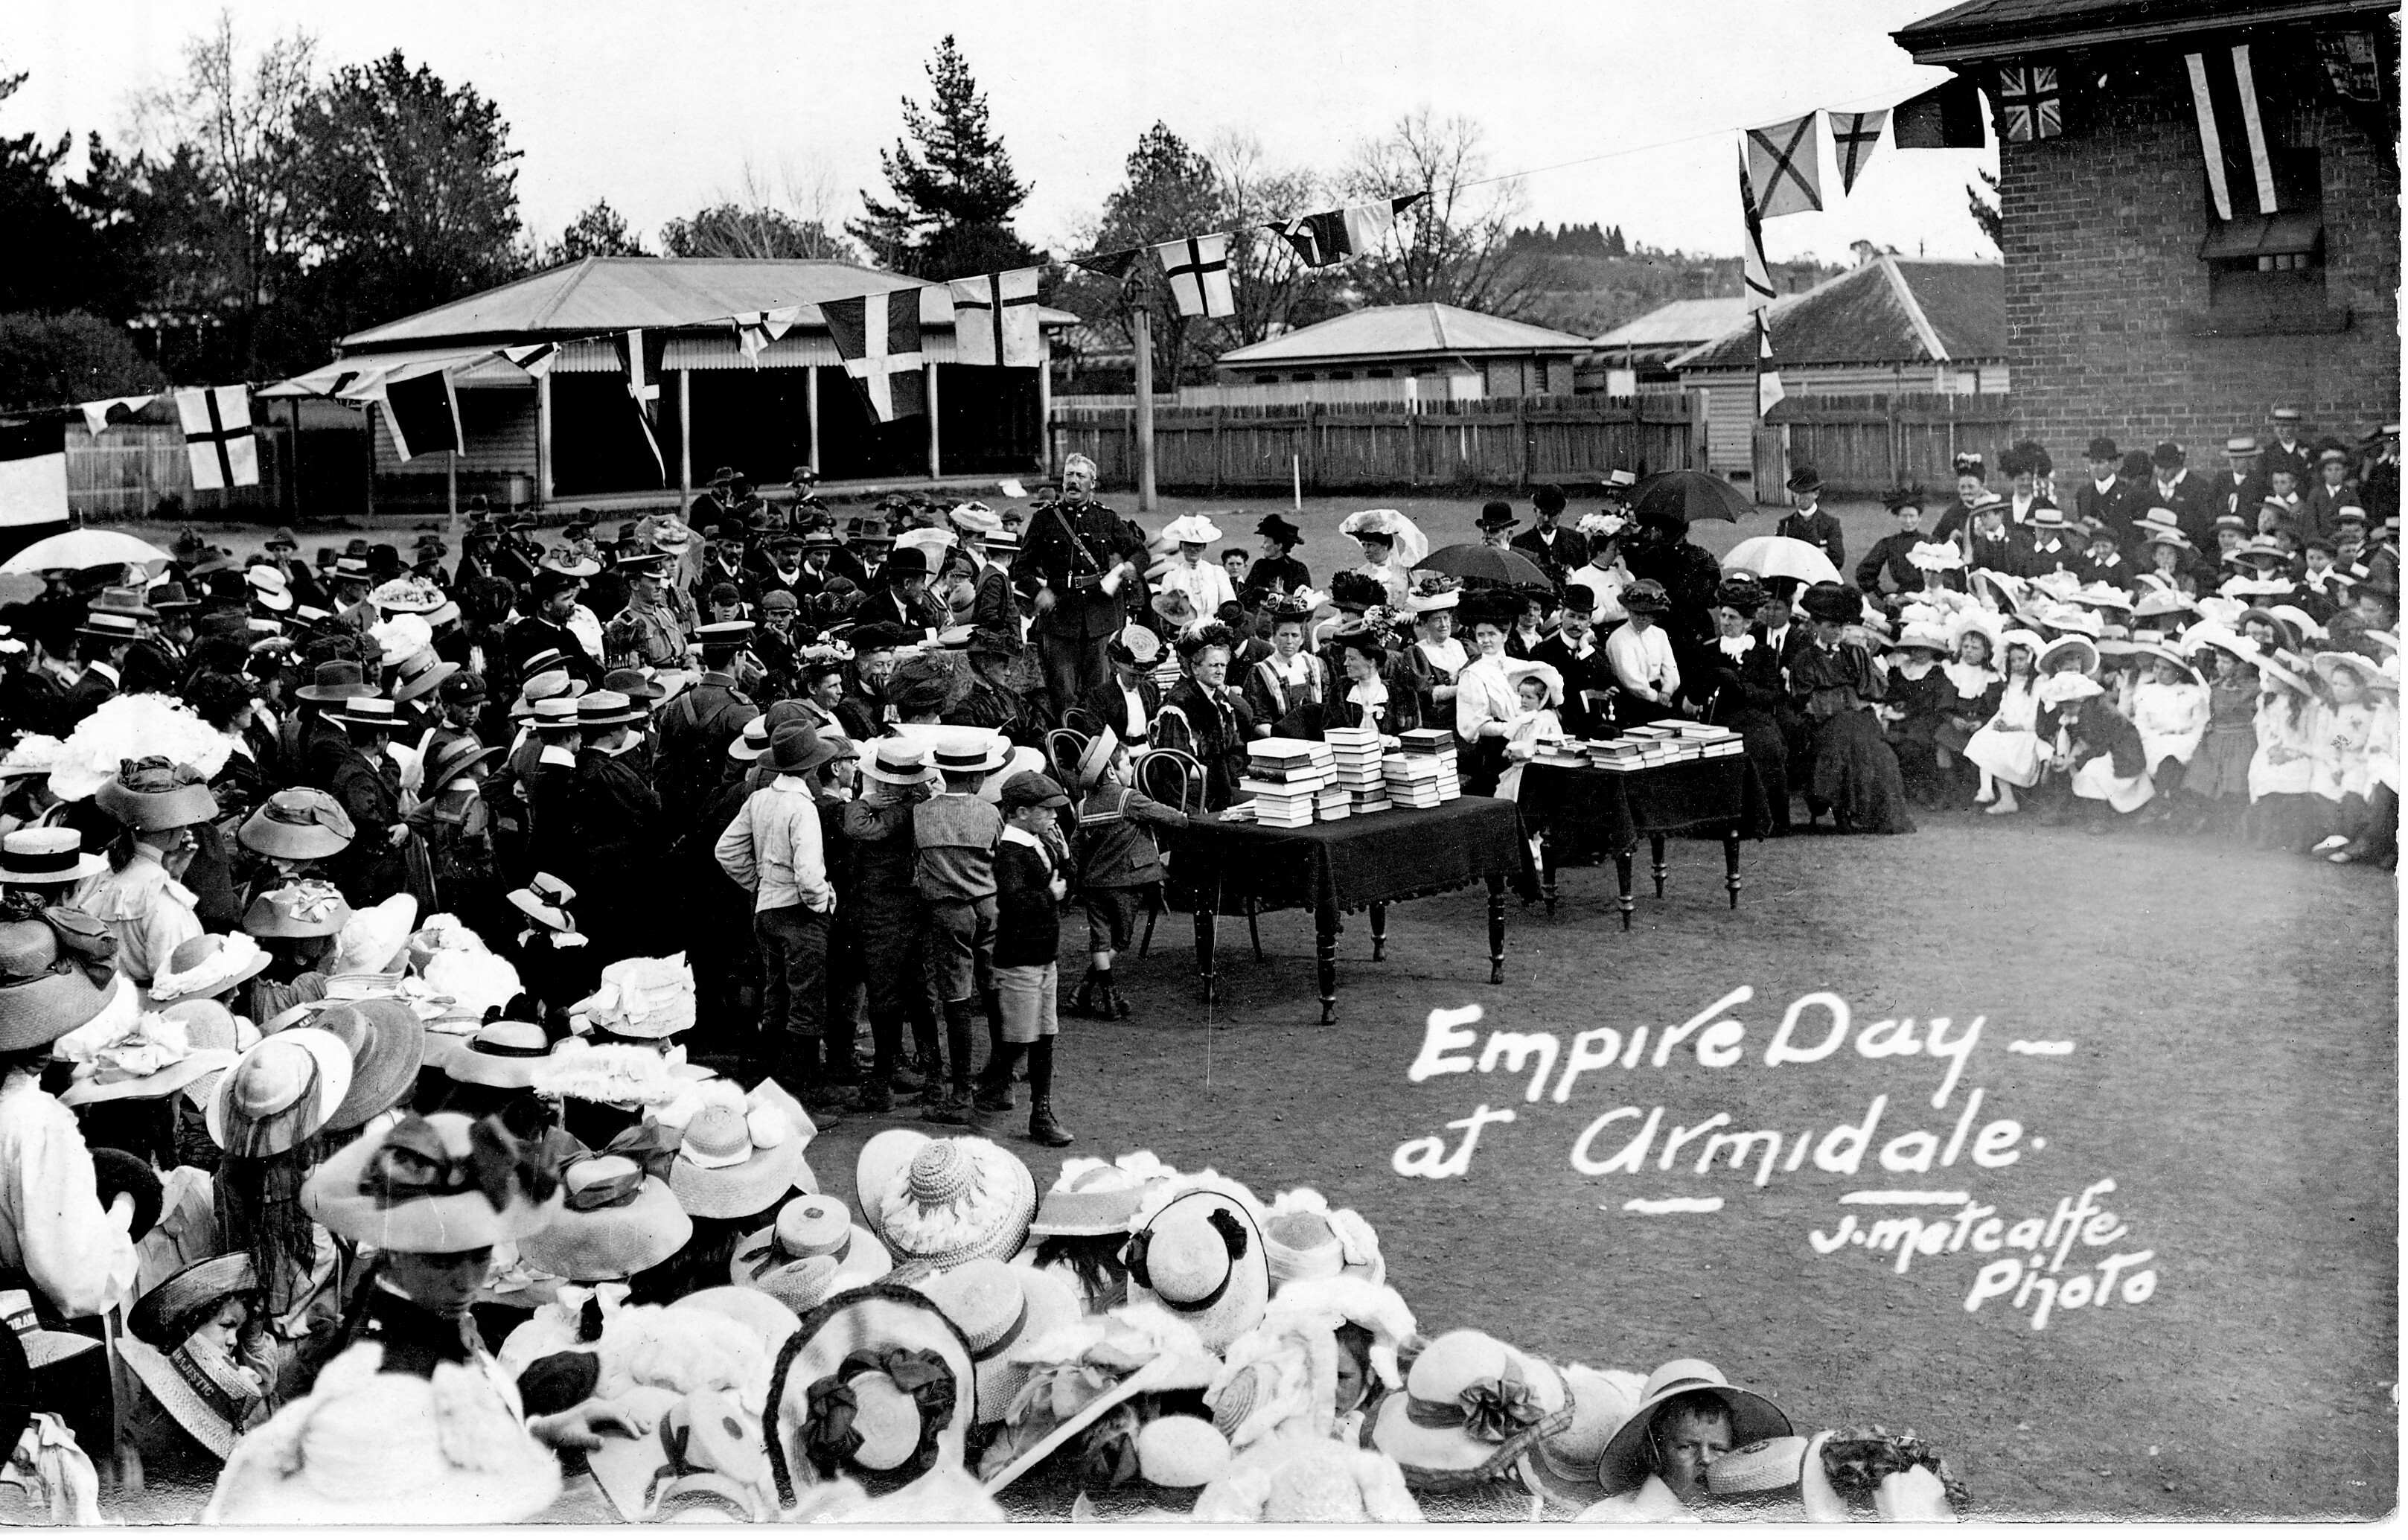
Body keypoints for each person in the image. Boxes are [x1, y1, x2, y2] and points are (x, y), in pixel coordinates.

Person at [715, 725, 846, 1113]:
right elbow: (808, 872)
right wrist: (821, 902)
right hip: (800, 913)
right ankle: (801, 1087)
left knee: (777, 994)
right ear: (813, 766)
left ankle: (770, 1080)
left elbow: (726, 850)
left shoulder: (759, 799)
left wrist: (758, 882)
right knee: (807, 1000)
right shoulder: (803, 807)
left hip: (767, 910)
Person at [1064, 729, 1190, 1022]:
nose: (1132, 769)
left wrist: (1077, 874)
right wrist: (1183, 818)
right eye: (1127, 764)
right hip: (1125, 882)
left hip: (1093, 884)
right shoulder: (1128, 798)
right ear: (1111, 771)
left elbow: (1076, 846)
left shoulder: (1083, 807)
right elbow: (1164, 814)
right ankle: (1097, 993)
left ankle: (1095, 994)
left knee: (1099, 940)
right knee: (1120, 941)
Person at [978, 771, 1076, 1148]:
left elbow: (1065, 884)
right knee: (1020, 1040)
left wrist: (1064, 858)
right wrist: (1050, 895)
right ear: (1020, 812)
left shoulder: (1037, 843)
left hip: (1042, 956)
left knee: (1043, 1036)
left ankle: (1038, 1112)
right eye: (1046, 810)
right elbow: (1013, 902)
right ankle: (988, 1102)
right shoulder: (1009, 852)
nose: (1054, 816)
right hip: (1020, 959)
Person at [914, 737, 1007, 1125]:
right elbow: (999, 853)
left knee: (957, 997)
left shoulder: (922, 813)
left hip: (948, 912)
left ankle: (962, 1091)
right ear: (976, 777)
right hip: (988, 906)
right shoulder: (990, 813)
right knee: (993, 987)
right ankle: (1002, 1082)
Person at [1018, 453, 1146, 720]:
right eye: (1069, 475)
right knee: (1063, 694)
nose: (1073, 481)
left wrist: (1132, 567)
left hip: (1100, 618)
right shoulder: (1045, 519)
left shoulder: (1106, 518)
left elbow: (1139, 552)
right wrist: (1038, 592)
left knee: (1098, 693)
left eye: (1080, 476)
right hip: (1059, 619)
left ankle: (1096, 744)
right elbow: (1021, 568)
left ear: (1092, 483)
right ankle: (1067, 743)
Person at [1789, 583, 1914, 834]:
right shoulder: (1804, 659)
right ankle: (1842, 810)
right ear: (1815, 626)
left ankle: (1877, 815)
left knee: (1881, 756)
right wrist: (1840, 701)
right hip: (1823, 724)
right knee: (1843, 744)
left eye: (1841, 627)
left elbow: (1872, 690)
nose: (1837, 632)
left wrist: (1850, 697)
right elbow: (1803, 699)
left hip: (1859, 720)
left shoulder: (1855, 653)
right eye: (1830, 627)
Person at [1699, 577, 1792, 834]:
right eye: (1724, 616)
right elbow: (1697, 691)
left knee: (1766, 745)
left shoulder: (1764, 653)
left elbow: (1772, 695)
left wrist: (1743, 690)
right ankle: (1730, 821)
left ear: (1748, 623)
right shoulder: (1709, 651)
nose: (1726, 622)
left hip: (1755, 717)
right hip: (1720, 717)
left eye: (1733, 618)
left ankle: (1766, 821)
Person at [1160, 627, 1255, 810]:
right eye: (1213, 666)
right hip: (1191, 791)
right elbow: (1175, 765)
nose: (1220, 671)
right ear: (1195, 668)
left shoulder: (1220, 700)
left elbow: (1234, 749)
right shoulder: (1178, 705)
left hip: (1221, 784)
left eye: (1223, 665)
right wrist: (1218, 776)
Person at [1451, 594, 1527, 796]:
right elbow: (1474, 725)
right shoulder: (1473, 674)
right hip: (1495, 755)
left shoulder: (1519, 667)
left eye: (1491, 634)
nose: (1485, 640)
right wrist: (1512, 727)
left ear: (1505, 635)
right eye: (1481, 635)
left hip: (1527, 745)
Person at [1242, 595, 1328, 740]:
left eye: (1295, 635)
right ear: (1274, 637)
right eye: (1284, 635)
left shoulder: (1315, 665)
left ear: (1302, 638)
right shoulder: (1262, 671)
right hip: (1280, 742)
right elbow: (1258, 721)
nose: (1289, 641)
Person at [1602, 579, 1682, 729]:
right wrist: (1655, 696)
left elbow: (1670, 668)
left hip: (1661, 696)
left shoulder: (1660, 634)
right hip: (1631, 700)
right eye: (1637, 613)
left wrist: (1667, 691)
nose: (1642, 618)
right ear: (1629, 611)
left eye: (1647, 614)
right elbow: (1630, 678)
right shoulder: (1618, 638)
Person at [1155, 515, 1237, 621]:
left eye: (1197, 545)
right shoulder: (1171, 577)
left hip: (1213, 626)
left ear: (1204, 547)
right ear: (1181, 546)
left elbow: (1228, 605)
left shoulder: (1217, 572)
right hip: (1183, 627)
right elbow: (1168, 613)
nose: (1193, 549)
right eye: (1189, 545)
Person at [1511, 485, 1589, 585]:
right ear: (1535, 511)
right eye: (1542, 513)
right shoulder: (1519, 544)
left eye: (1552, 514)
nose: (1546, 519)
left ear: (1560, 513)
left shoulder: (1577, 540)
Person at [1775, 466, 1845, 572]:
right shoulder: (1786, 524)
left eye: (1803, 493)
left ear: (1816, 494)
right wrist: (1820, 551)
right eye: (1795, 493)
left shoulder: (1830, 524)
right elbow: (1778, 560)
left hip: (1821, 576)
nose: (1798, 498)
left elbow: (1837, 560)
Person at [1244, 516, 1310, 598]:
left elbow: (1305, 600)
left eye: (1266, 542)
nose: (1262, 546)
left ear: (1279, 546)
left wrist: (1283, 593)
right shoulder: (1259, 565)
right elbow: (1245, 594)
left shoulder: (1297, 568)